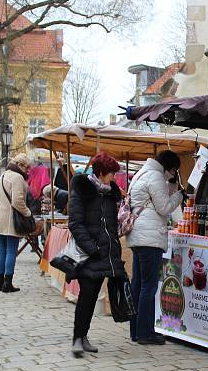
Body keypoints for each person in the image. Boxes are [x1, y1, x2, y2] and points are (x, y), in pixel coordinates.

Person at [68, 152, 125, 356]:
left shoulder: (110, 193)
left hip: (104, 253)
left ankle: (83, 336)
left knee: (92, 297)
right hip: (87, 253)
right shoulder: (82, 191)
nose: (114, 178)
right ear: (101, 172)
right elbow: (75, 223)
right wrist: (92, 248)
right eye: (111, 173)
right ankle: (77, 338)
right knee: (87, 294)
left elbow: (111, 224)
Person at [127, 150, 184, 345]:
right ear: (169, 167)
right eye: (174, 170)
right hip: (150, 237)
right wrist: (179, 196)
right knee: (148, 286)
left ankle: (135, 330)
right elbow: (165, 207)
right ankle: (146, 333)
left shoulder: (141, 173)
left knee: (138, 284)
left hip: (138, 235)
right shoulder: (156, 176)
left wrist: (172, 186)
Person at [0, 153, 33, 293]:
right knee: (11, 250)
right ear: (20, 165)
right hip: (11, 220)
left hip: (0, 218)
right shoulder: (17, 177)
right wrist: (28, 213)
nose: (28, 170)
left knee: (2, 249)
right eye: (27, 167)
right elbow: (18, 201)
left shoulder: (4, 175)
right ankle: (7, 283)